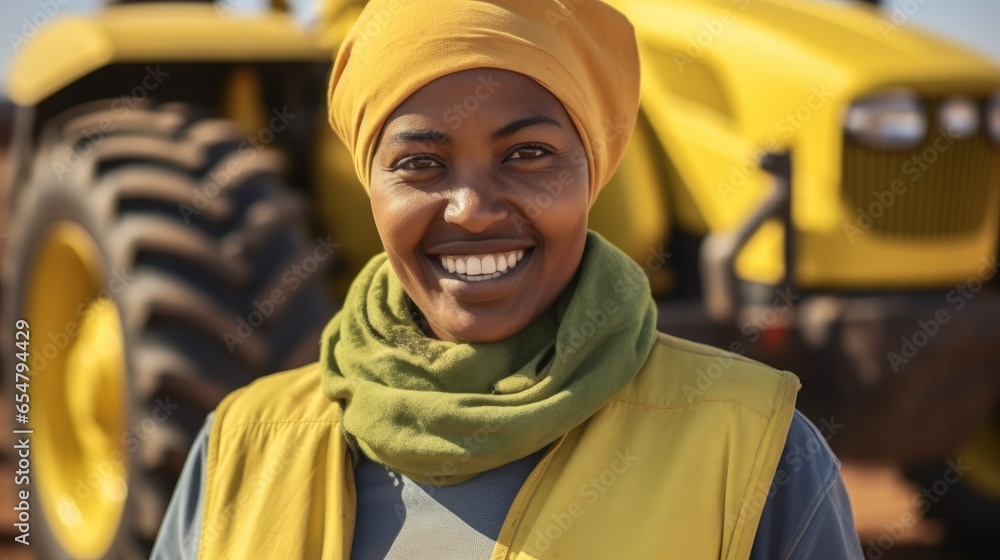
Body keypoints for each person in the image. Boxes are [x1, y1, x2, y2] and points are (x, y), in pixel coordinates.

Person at [152, 0, 864, 558]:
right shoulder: (243, 446)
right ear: (368, 186)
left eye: (527, 153)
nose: (473, 210)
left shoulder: (754, 450)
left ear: (594, 172)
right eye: (419, 164)